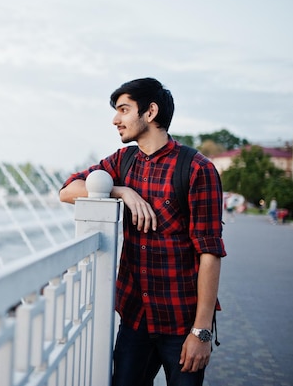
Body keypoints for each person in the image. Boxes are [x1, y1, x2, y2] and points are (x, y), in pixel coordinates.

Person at [59, 78, 226, 386]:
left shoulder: (197, 169)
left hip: (181, 322)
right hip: (135, 319)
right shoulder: (123, 162)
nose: (115, 119)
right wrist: (121, 191)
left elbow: (210, 252)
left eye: (123, 110)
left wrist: (201, 333)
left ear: (150, 112)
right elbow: (68, 191)